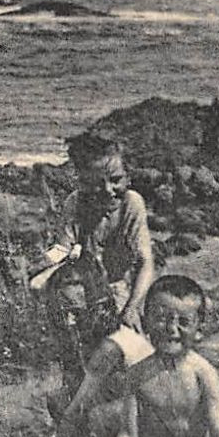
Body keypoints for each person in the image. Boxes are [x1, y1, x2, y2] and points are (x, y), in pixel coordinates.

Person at [32, 135, 155, 392]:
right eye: (96, 183)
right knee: (79, 367)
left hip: (120, 295)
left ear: (127, 177)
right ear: (82, 180)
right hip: (82, 295)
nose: (108, 190)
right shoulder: (75, 204)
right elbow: (62, 249)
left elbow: (145, 262)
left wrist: (132, 307)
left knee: (133, 364)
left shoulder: (131, 204)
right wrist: (43, 265)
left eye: (116, 180)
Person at [113, 275, 219, 437]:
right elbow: (128, 434)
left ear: (199, 328)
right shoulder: (137, 374)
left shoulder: (203, 374)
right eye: (161, 318)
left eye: (183, 322)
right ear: (145, 321)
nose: (171, 329)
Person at [43, 323, 152, 437]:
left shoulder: (111, 346)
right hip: (144, 412)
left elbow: (76, 407)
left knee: (88, 412)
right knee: (60, 398)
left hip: (147, 421)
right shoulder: (120, 337)